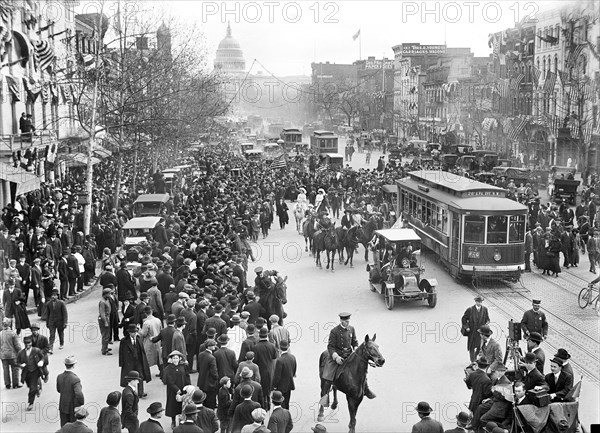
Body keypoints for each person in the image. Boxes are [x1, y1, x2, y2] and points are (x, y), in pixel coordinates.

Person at [321, 312, 375, 405]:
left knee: (361, 368)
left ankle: (366, 388)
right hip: (338, 356)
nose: (348, 322)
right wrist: (336, 357)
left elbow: (354, 342)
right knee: (328, 376)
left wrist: (355, 348)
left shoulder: (351, 329)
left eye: (348, 321)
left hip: (349, 354)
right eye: (346, 321)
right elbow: (330, 346)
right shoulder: (334, 331)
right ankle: (325, 396)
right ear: (341, 321)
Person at [119, 324, 151, 398]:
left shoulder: (139, 338)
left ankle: (141, 392)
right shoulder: (124, 341)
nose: (134, 334)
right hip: (129, 362)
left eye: (135, 332)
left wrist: (144, 361)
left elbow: (142, 350)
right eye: (132, 332)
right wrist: (121, 363)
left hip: (138, 361)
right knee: (129, 378)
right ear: (129, 333)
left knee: (140, 376)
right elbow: (121, 353)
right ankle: (130, 392)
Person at [16, 335, 45, 411]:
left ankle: (30, 403)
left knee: (32, 388)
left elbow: (43, 357)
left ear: (31, 343)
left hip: (35, 371)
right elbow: (17, 362)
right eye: (25, 343)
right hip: (26, 373)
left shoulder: (36, 350)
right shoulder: (21, 353)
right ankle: (37, 388)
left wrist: (41, 361)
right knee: (30, 386)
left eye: (28, 343)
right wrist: (20, 365)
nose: (27, 344)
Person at [252, 327, 278, 410]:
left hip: (260, 370)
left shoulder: (256, 347)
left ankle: (263, 404)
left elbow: (255, 360)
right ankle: (268, 403)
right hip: (270, 370)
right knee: (268, 388)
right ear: (267, 335)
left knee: (261, 388)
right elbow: (274, 357)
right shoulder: (272, 346)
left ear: (259, 335)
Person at [164, 350, 191, 429]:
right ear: (171, 359)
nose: (175, 360)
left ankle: (181, 420)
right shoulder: (168, 369)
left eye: (177, 358)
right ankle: (173, 421)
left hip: (183, 389)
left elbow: (187, 376)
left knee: (182, 406)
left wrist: (188, 386)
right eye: (174, 358)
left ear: (180, 358)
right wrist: (176, 390)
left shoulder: (183, 366)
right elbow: (169, 381)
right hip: (173, 391)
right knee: (173, 406)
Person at [56, 355, 85, 426]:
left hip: (63, 405)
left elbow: (59, 389)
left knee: (64, 426)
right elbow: (79, 394)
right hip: (73, 406)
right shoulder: (75, 379)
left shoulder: (59, 376)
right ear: (73, 365)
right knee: (73, 426)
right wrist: (81, 403)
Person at [461, 296, 490, 362]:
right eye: (478, 302)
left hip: (480, 332)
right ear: (475, 302)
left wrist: (486, 324)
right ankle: (472, 361)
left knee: (480, 346)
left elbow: (487, 319)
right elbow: (464, 319)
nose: (479, 303)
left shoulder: (485, 309)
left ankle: (475, 357)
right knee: (471, 346)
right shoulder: (470, 310)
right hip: (472, 331)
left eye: (480, 302)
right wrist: (467, 327)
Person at [42, 288, 68, 352]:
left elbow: (65, 314)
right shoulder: (48, 304)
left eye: (55, 295)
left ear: (57, 296)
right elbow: (47, 314)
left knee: (60, 333)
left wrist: (65, 322)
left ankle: (61, 343)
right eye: (52, 295)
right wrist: (47, 322)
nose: (53, 296)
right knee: (52, 335)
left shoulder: (61, 303)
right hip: (51, 322)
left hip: (60, 321)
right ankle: (50, 348)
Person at [272, 340, 295, 410]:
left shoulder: (279, 360)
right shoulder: (292, 357)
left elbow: (277, 375)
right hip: (289, 383)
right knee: (287, 401)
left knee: (281, 403)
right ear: (288, 347)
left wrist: (274, 386)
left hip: (281, 386)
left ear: (279, 348)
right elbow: (294, 371)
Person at [197, 338, 219, 409]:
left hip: (202, 382)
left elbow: (198, 367)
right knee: (211, 402)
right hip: (210, 383)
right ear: (209, 347)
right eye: (213, 345)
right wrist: (216, 379)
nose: (214, 346)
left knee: (204, 400)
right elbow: (214, 372)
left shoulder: (200, 355)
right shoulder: (212, 358)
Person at [0, 318, 22, 389]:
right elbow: (17, 345)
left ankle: (7, 384)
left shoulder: (0, 333)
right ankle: (15, 383)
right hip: (12, 354)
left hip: (3, 355)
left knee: (5, 369)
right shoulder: (13, 333)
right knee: (15, 368)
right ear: (10, 324)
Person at [99, 288, 113, 356]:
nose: (110, 295)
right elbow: (102, 313)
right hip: (104, 319)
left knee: (107, 334)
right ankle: (104, 350)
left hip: (108, 318)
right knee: (105, 335)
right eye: (109, 293)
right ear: (105, 294)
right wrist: (105, 322)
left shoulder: (106, 300)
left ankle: (106, 347)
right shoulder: (102, 302)